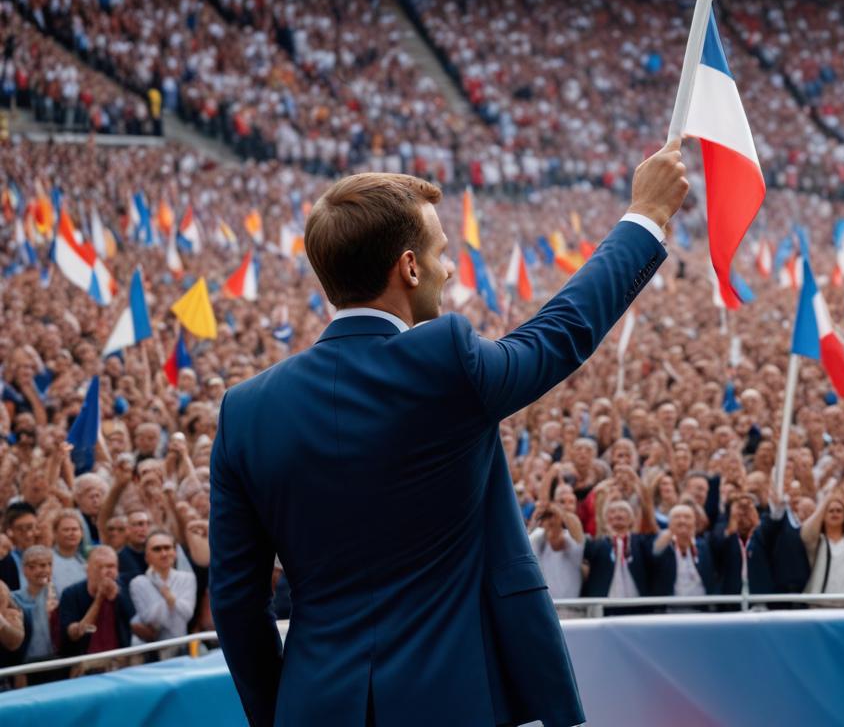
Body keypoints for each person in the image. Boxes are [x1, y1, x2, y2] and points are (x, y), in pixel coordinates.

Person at [210, 143, 687, 727]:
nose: (449, 268)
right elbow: (560, 333)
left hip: (313, 704)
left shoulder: (245, 411)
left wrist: (283, 713)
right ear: (409, 268)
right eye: (440, 253)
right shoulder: (442, 359)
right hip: (451, 699)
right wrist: (645, 217)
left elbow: (236, 605)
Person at [57, 546, 135, 660]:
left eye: (110, 566)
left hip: (119, 660)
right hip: (85, 661)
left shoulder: (125, 587)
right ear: (87, 570)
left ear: (117, 569)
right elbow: (74, 635)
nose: (105, 572)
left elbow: (133, 622)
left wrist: (118, 596)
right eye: (99, 567)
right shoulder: (71, 593)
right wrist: (99, 599)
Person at [129, 530, 197, 648]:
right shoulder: (138, 583)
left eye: (167, 548)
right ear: (147, 557)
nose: (164, 553)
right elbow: (149, 619)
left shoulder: (187, 578)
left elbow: (187, 613)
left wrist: (170, 598)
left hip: (182, 646)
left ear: (175, 552)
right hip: (152, 650)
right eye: (157, 549)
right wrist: (170, 600)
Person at [648, 504, 719, 606]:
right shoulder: (662, 547)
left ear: (694, 522)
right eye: (677, 517)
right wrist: (665, 539)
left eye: (687, 517)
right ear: (669, 523)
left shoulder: (705, 546)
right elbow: (653, 556)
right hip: (669, 612)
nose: (682, 521)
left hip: (702, 610)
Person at [13, 545, 65, 683]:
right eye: (33, 566)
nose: (42, 570)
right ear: (25, 570)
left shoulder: (60, 596)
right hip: (27, 665)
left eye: (46, 565)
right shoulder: (15, 599)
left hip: (56, 662)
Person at [528, 502, 586, 619]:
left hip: (570, 612)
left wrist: (562, 513)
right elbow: (524, 542)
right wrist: (536, 517)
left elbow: (577, 535)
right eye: (547, 516)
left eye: (553, 516)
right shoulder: (538, 539)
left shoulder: (570, 538)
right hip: (543, 611)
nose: (551, 520)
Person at [1, 503, 38, 591]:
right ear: (10, 531)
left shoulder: (47, 554)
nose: (28, 534)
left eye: (30, 527)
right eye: (20, 529)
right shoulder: (6, 561)